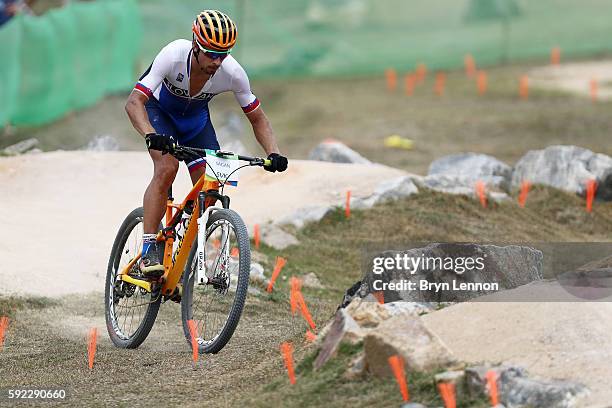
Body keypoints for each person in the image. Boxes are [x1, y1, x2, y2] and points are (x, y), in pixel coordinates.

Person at [125, 10, 288, 278]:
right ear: (195, 45)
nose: (216, 61)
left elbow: (258, 119)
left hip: (195, 125)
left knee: (211, 188)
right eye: (211, 53)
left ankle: (184, 245)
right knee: (167, 168)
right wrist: (149, 134)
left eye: (222, 55)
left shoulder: (233, 73)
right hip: (159, 116)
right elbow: (134, 103)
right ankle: (149, 249)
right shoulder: (173, 55)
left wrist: (274, 153)